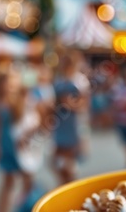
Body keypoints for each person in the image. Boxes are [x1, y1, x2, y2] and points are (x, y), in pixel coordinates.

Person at [0, 71, 41, 212]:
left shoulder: (25, 98)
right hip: (6, 144)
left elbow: (35, 121)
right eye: (7, 82)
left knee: (28, 180)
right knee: (8, 180)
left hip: (22, 145)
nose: (10, 85)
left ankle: (29, 206)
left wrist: (27, 136)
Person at [52, 55, 83, 184]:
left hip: (71, 125)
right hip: (60, 124)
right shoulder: (59, 81)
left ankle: (69, 185)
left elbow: (81, 105)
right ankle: (65, 184)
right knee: (59, 160)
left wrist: (69, 104)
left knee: (67, 160)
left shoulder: (76, 83)